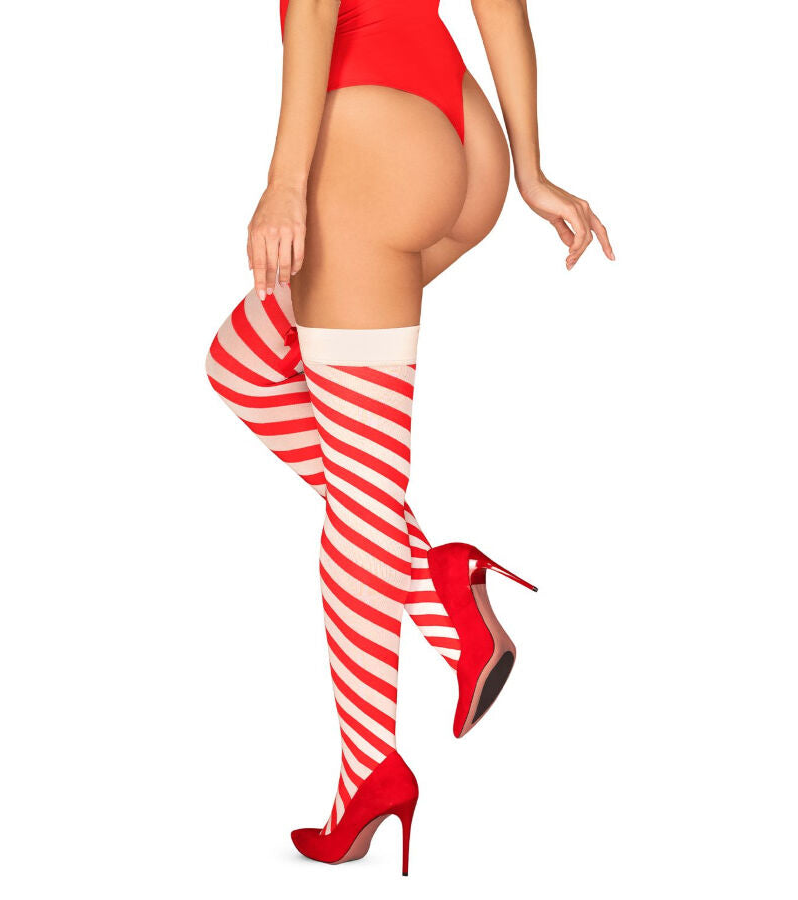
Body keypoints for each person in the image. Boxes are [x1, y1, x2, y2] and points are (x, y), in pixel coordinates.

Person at [206, 0, 613, 874]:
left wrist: (285, 182)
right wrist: (530, 169)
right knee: (241, 365)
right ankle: (442, 593)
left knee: (360, 502)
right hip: (462, 139)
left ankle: (369, 773)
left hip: (371, 140)